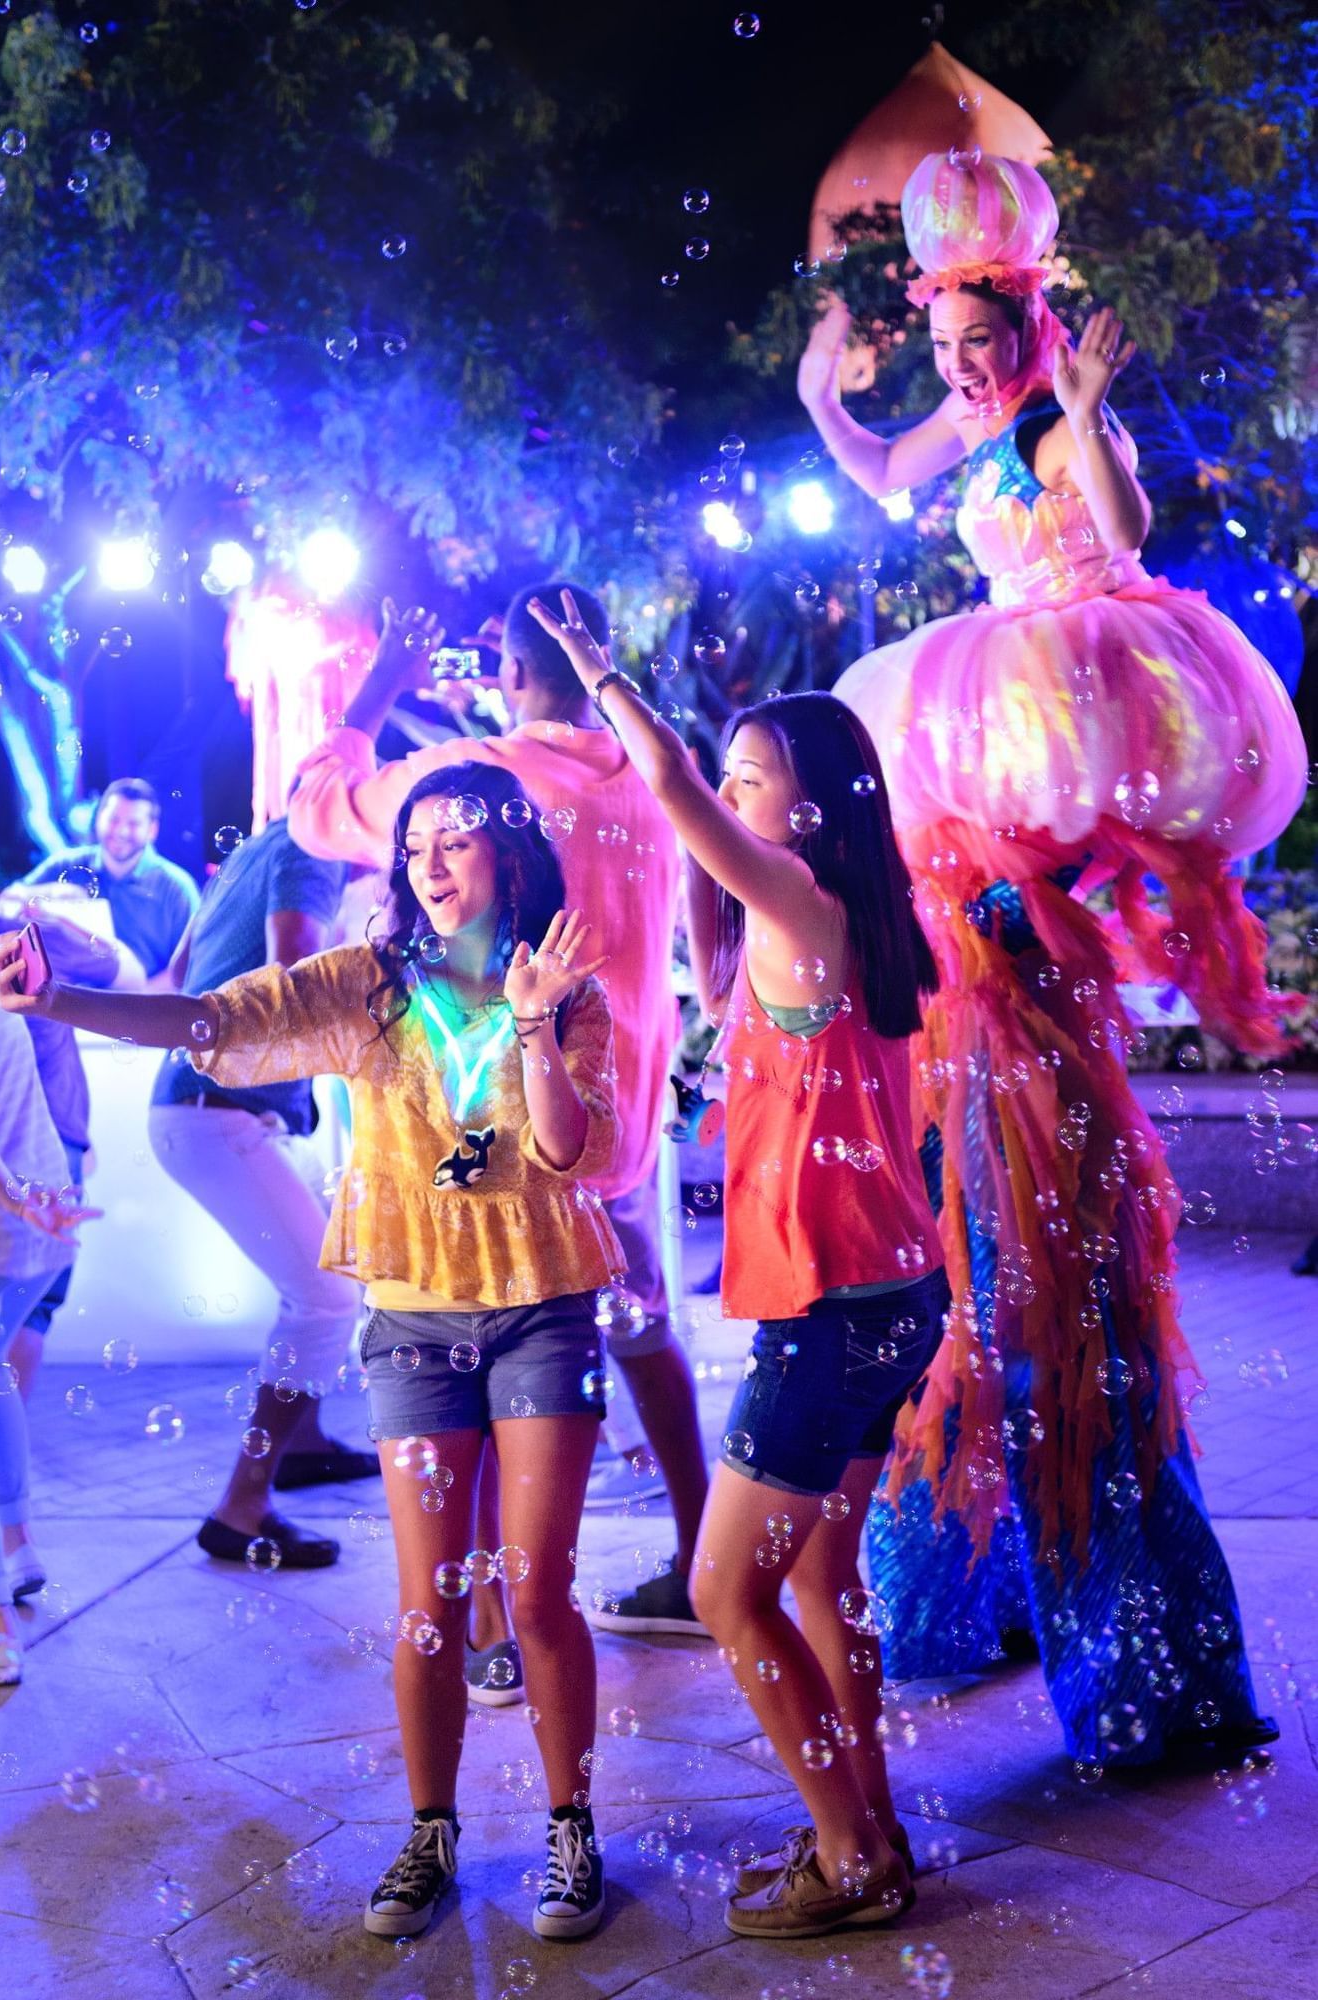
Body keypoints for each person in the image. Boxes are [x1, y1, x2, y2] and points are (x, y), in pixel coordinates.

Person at [798, 150, 1307, 1761]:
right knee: (973, 1237)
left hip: (1064, 684)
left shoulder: (1049, 414)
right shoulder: (962, 411)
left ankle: (1100, 1635)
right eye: (941, 355)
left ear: (1019, 325)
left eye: (974, 352)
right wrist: (827, 385)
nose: (957, 375)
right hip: (982, 745)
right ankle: (970, 1594)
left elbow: (1125, 528)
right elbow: (880, 478)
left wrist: (1076, 408)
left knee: (1038, 1250)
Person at [0, 761, 620, 1944]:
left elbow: (566, 1145)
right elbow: (215, 1021)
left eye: (460, 842)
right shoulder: (368, 985)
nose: (433, 864)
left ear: (515, 858)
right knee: (431, 1601)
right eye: (417, 844)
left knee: (533, 1591)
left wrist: (536, 1022)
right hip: (413, 1320)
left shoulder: (570, 990)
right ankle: (430, 1830)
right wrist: (58, 1005)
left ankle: (569, 1825)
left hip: (545, 1307)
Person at [530, 591, 944, 1941]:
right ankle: (869, 1832)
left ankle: (841, 1854)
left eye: (749, 778)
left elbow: (664, 785)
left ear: (809, 809)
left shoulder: (799, 900)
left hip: (827, 1313)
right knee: (823, 1582)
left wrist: (596, 666)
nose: (720, 792)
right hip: (891, 1294)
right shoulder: (843, 924)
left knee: (724, 1591)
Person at [290, 581, 710, 1667]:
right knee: (641, 1325)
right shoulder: (659, 775)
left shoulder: (479, 785)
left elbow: (316, 805)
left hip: (501, 1115)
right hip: (615, 1110)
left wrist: (381, 681)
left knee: (477, 1355)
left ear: (511, 674)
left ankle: (488, 1629)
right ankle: (699, 1554)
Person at [148, 811, 365, 1569]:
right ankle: (243, 1506)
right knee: (331, 1296)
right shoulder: (314, 843)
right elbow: (294, 964)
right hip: (221, 1111)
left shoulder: (248, 852)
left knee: (329, 1278)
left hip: (206, 1105)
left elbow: (178, 977)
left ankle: (301, 1446)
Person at [0, 909, 100, 1684]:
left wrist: (16, 1192)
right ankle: (17, 1548)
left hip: (11, 1208)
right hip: (29, 1204)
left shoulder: (8, 945)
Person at [9, 776, 199, 985]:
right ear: (99, 817)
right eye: (114, 819)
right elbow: (8, 900)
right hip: (64, 1003)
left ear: (152, 830)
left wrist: (137, 1004)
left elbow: (191, 964)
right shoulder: (66, 863)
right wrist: (55, 894)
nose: (121, 831)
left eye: (133, 823)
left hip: (143, 1008)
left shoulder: (177, 888)